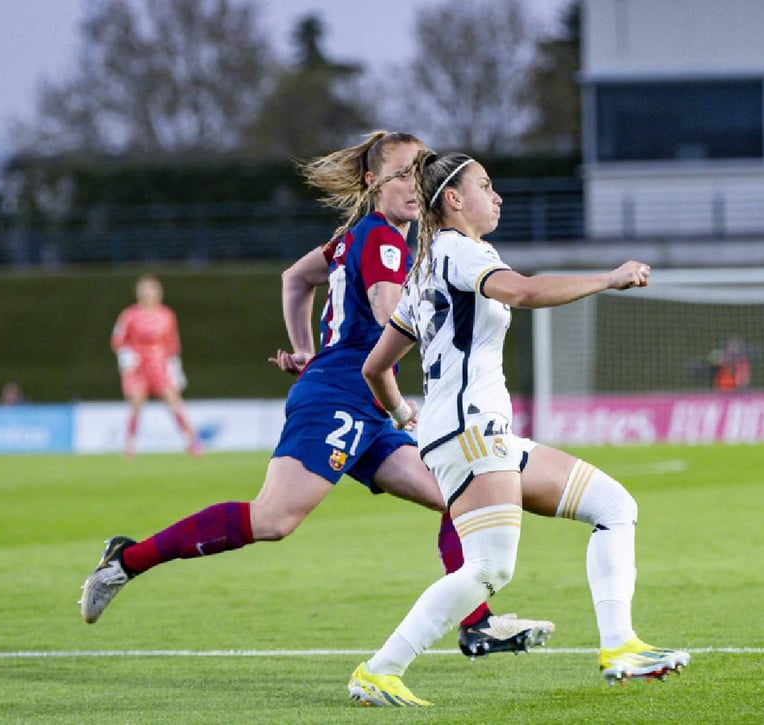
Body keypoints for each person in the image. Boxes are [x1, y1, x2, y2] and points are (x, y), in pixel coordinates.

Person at [79, 131, 554, 661]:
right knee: (274, 520)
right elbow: (389, 324)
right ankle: (126, 560)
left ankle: (477, 625)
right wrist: (398, 393)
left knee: (453, 499)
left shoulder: (356, 236)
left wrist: (308, 348)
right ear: (373, 182)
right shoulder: (386, 242)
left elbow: (295, 280)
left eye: (419, 172)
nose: (412, 184)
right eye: (401, 173)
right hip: (339, 398)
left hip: (361, 400)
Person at [347, 149, 690, 708]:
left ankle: (620, 645)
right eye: (486, 185)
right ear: (453, 200)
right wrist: (609, 278)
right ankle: (380, 670)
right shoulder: (458, 252)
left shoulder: (429, 265)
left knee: (614, 507)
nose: (498, 195)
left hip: (473, 431)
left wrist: (405, 416)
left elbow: (375, 366)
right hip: (470, 431)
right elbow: (524, 292)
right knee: (489, 568)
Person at [110, 274, 201, 457]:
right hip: (137, 367)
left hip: (160, 366)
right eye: (145, 291)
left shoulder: (167, 315)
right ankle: (129, 444)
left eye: (152, 290)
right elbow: (117, 339)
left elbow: (172, 343)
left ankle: (192, 440)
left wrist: (175, 366)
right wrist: (126, 357)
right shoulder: (129, 315)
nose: (149, 294)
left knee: (174, 401)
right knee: (136, 403)